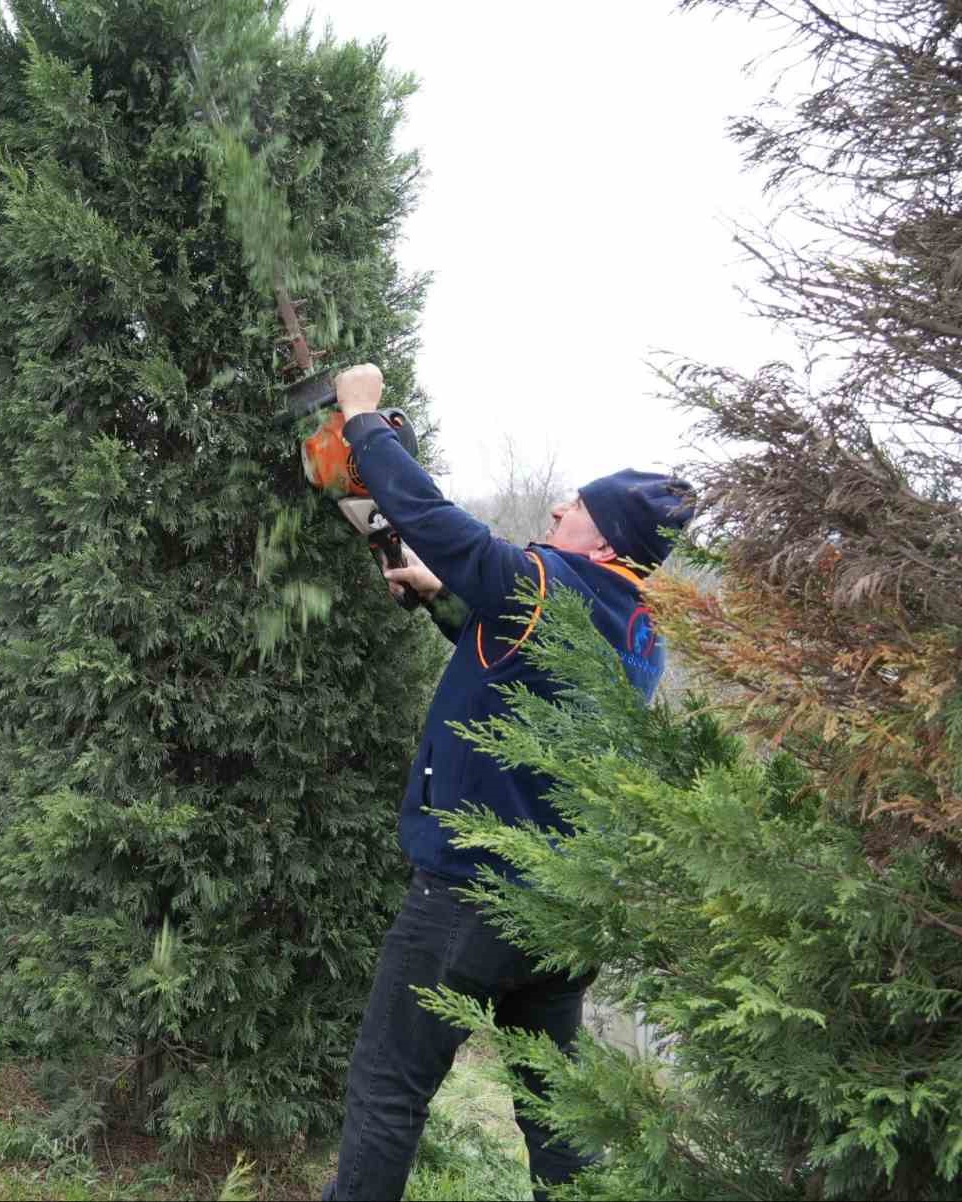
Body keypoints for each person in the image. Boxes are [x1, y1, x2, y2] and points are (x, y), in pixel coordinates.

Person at [321, 364, 694, 1202]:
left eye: (577, 507)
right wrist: (441, 598)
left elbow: (439, 525)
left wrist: (363, 420)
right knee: (555, 1113)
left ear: (605, 544)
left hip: (468, 900)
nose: (557, 510)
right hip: (560, 914)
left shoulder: (539, 583)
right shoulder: (640, 628)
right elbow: (530, 669)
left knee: (387, 1091)